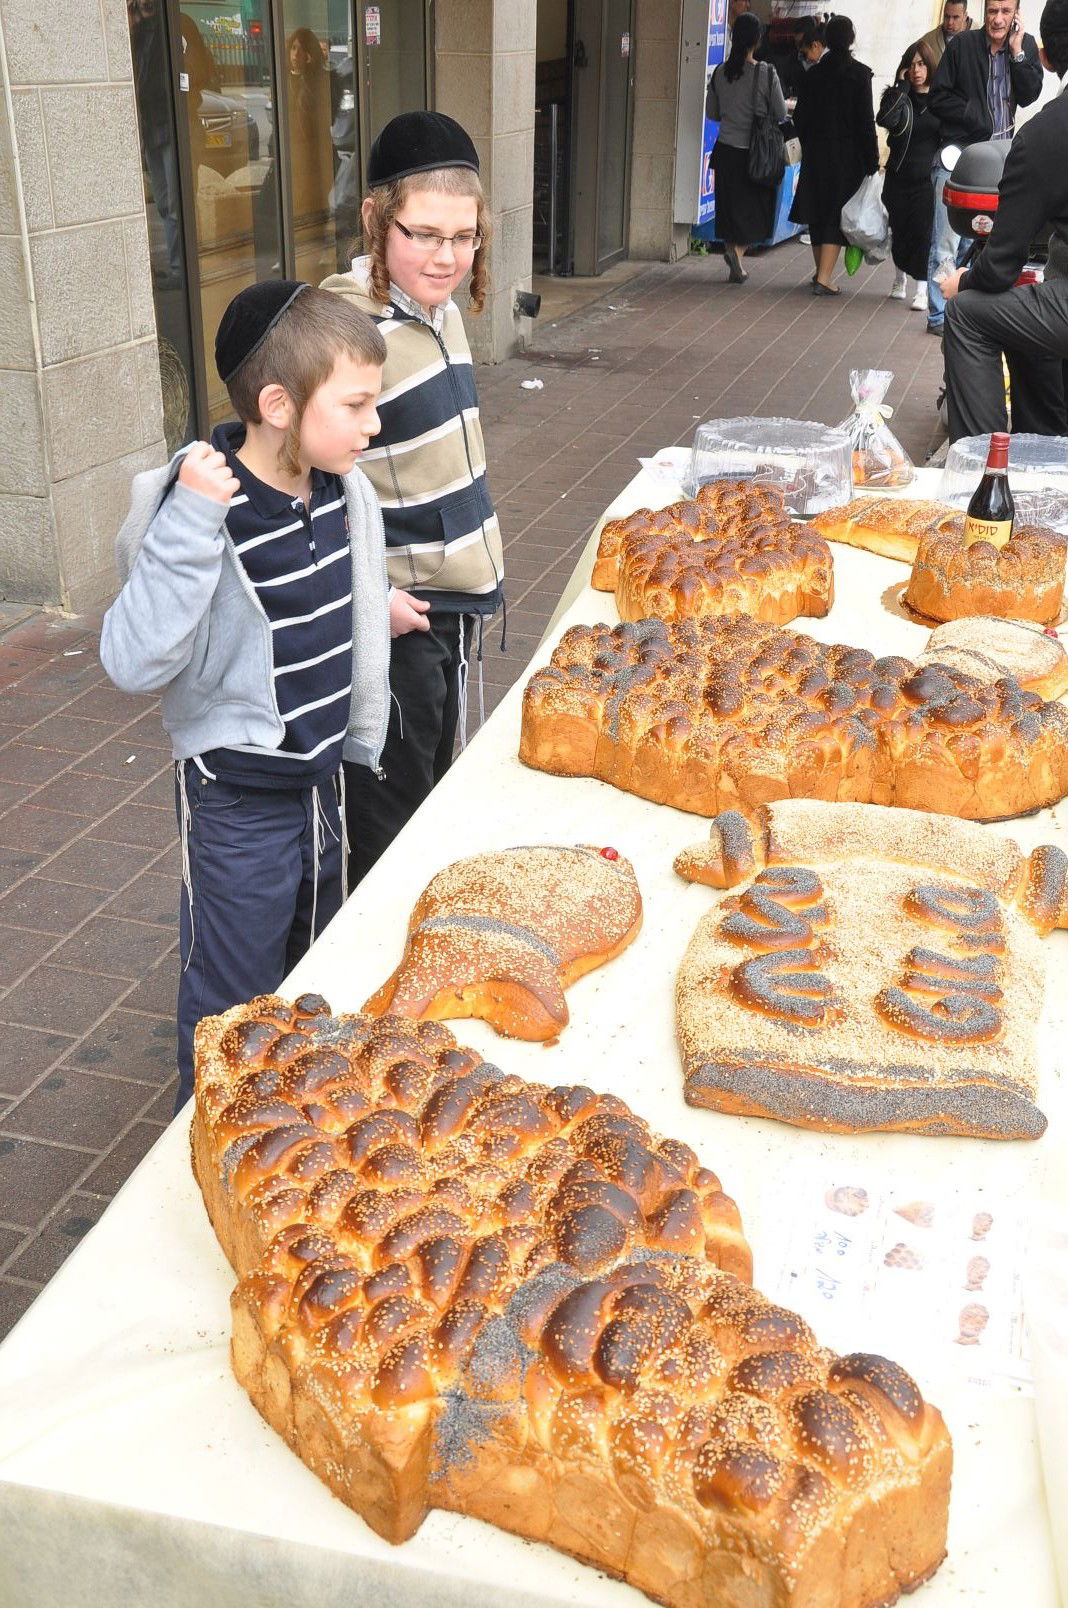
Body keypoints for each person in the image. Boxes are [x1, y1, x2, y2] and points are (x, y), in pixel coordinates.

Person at [99, 284, 391, 1108]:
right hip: (238, 805)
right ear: (278, 405)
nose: (374, 424)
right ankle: (216, 1129)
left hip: (321, 783)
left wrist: (382, 610)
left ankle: (293, 1117)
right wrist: (191, 520)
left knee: (316, 963)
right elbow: (132, 657)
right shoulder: (201, 514)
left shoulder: (343, 489)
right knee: (232, 990)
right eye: (359, 404)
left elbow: (338, 591)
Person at [319, 113, 504, 884]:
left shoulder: (440, 311)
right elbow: (304, 488)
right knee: (391, 831)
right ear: (375, 216)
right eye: (424, 234)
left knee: (432, 802)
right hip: (403, 623)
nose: (447, 257)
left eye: (464, 238)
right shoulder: (345, 328)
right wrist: (375, 598)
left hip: (451, 612)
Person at [941, 0, 1068, 439]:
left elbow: (999, 267)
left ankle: (982, 479)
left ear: (1046, 56)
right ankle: (1048, 447)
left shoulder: (1046, 135)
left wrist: (963, 281)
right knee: (1028, 311)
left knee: (967, 313)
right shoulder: (963, 51)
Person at [926, 0, 1043, 333]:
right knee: (947, 240)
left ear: (1016, 14)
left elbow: (1032, 92)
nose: (998, 18)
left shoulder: (1026, 46)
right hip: (960, 155)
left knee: (982, 242)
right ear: (984, 12)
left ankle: (970, 310)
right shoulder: (963, 45)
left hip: (1001, 163)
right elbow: (938, 96)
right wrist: (973, 116)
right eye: (993, 11)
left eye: (1006, 12)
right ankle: (939, 314)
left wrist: (1018, 53)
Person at [789, 15, 879, 295]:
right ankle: (824, 278)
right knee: (835, 215)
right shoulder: (860, 74)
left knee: (817, 211)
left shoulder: (813, 74)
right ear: (851, 40)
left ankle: (821, 272)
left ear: (826, 40)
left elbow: (800, 117)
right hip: (847, 155)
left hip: (817, 151)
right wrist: (872, 159)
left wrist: (811, 142)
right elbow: (866, 121)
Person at [706, 13, 788, 283]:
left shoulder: (719, 72)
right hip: (755, 153)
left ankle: (733, 253)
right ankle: (737, 254)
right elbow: (778, 112)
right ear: (757, 40)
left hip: (726, 150)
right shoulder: (766, 73)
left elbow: (713, 113)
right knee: (754, 210)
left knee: (730, 208)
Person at [878, 41, 942, 311]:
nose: (917, 71)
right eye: (912, 65)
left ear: (930, 66)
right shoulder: (896, 96)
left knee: (923, 232)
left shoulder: (941, 99)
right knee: (900, 230)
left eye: (921, 64)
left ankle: (922, 287)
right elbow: (885, 120)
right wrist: (902, 90)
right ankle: (899, 278)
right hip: (898, 175)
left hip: (927, 178)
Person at [779, 19, 826, 103]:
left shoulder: (826, 61)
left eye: (802, 43)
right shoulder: (792, 59)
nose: (799, 48)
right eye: (797, 43)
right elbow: (783, 85)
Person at [920, 0, 972, 67]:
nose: (950, 22)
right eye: (946, 16)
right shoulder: (929, 40)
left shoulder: (982, 36)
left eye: (955, 17)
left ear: (965, 16)